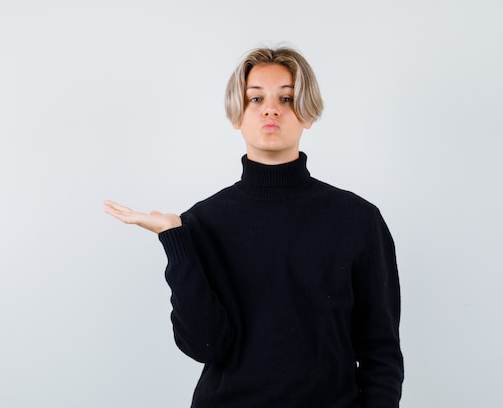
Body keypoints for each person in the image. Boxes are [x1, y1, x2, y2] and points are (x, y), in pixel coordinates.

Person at [104, 46, 403, 408]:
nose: (271, 108)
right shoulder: (201, 222)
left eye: (287, 98)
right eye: (255, 98)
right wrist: (174, 239)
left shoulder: (357, 220)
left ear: (307, 114)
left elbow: (381, 354)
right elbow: (206, 346)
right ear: (236, 115)